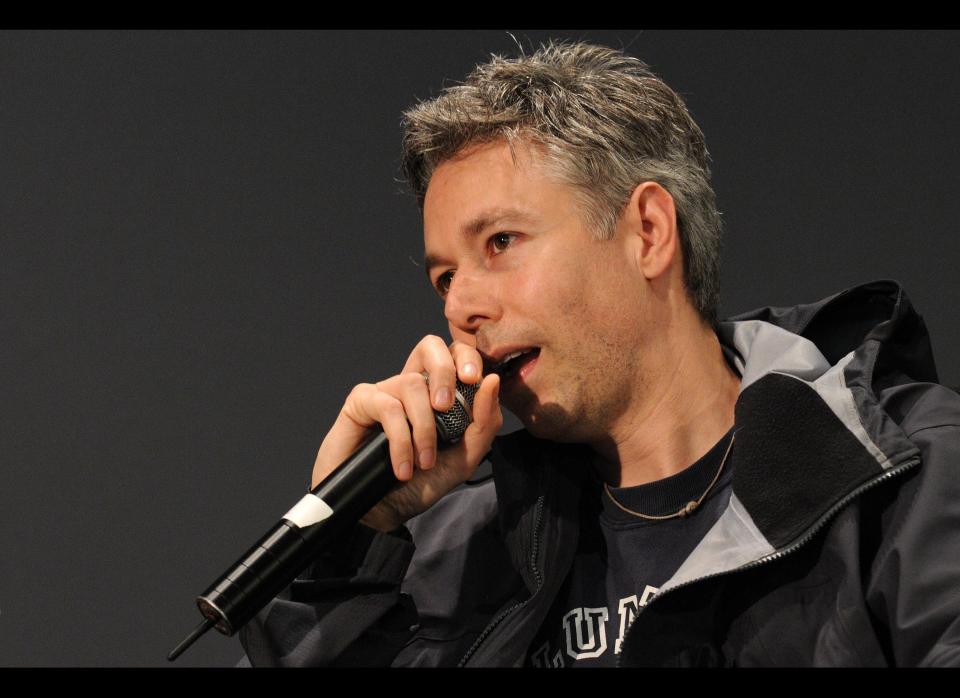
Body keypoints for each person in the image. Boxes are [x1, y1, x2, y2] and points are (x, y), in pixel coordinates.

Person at [238, 41, 960, 667]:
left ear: (646, 232)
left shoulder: (898, 473)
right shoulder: (457, 552)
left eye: (500, 243)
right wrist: (348, 545)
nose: (460, 308)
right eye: (445, 278)